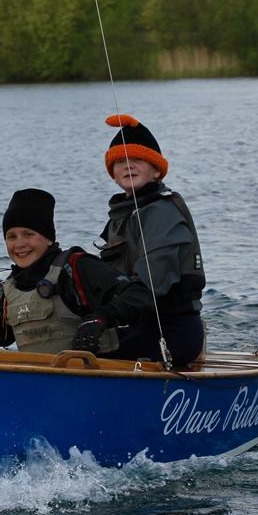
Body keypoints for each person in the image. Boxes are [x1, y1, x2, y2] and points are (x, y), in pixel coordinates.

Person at [73, 114, 205, 366]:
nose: (128, 165)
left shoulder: (162, 212)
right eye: (120, 161)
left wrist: (103, 317)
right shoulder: (122, 215)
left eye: (137, 159)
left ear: (156, 171)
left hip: (171, 332)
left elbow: (150, 284)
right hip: (137, 325)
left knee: (83, 360)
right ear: (112, 173)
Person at [0, 187, 151, 354]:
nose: (19, 244)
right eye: (11, 237)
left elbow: (139, 296)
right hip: (37, 376)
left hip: (96, 374)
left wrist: (100, 318)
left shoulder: (76, 268)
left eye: (28, 234)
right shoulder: (3, 294)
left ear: (49, 238)